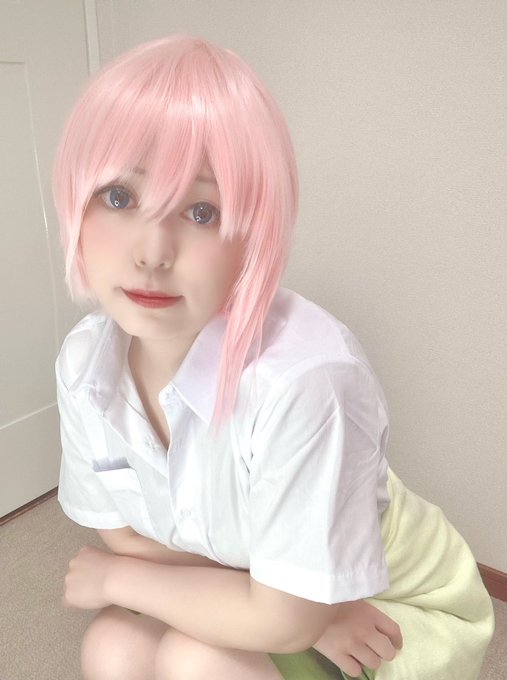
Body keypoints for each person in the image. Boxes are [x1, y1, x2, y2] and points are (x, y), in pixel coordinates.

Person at [53, 35, 494, 680]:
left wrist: (118, 578)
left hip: (390, 612)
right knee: (113, 647)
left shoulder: (307, 379)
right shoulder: (86, 362)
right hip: (274, 586)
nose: (151, 252)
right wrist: (274, 601)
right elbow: (123, 533)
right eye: (120, 197)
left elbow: (271, 612)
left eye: (201, 211)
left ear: (254, 234)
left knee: (196, 660)